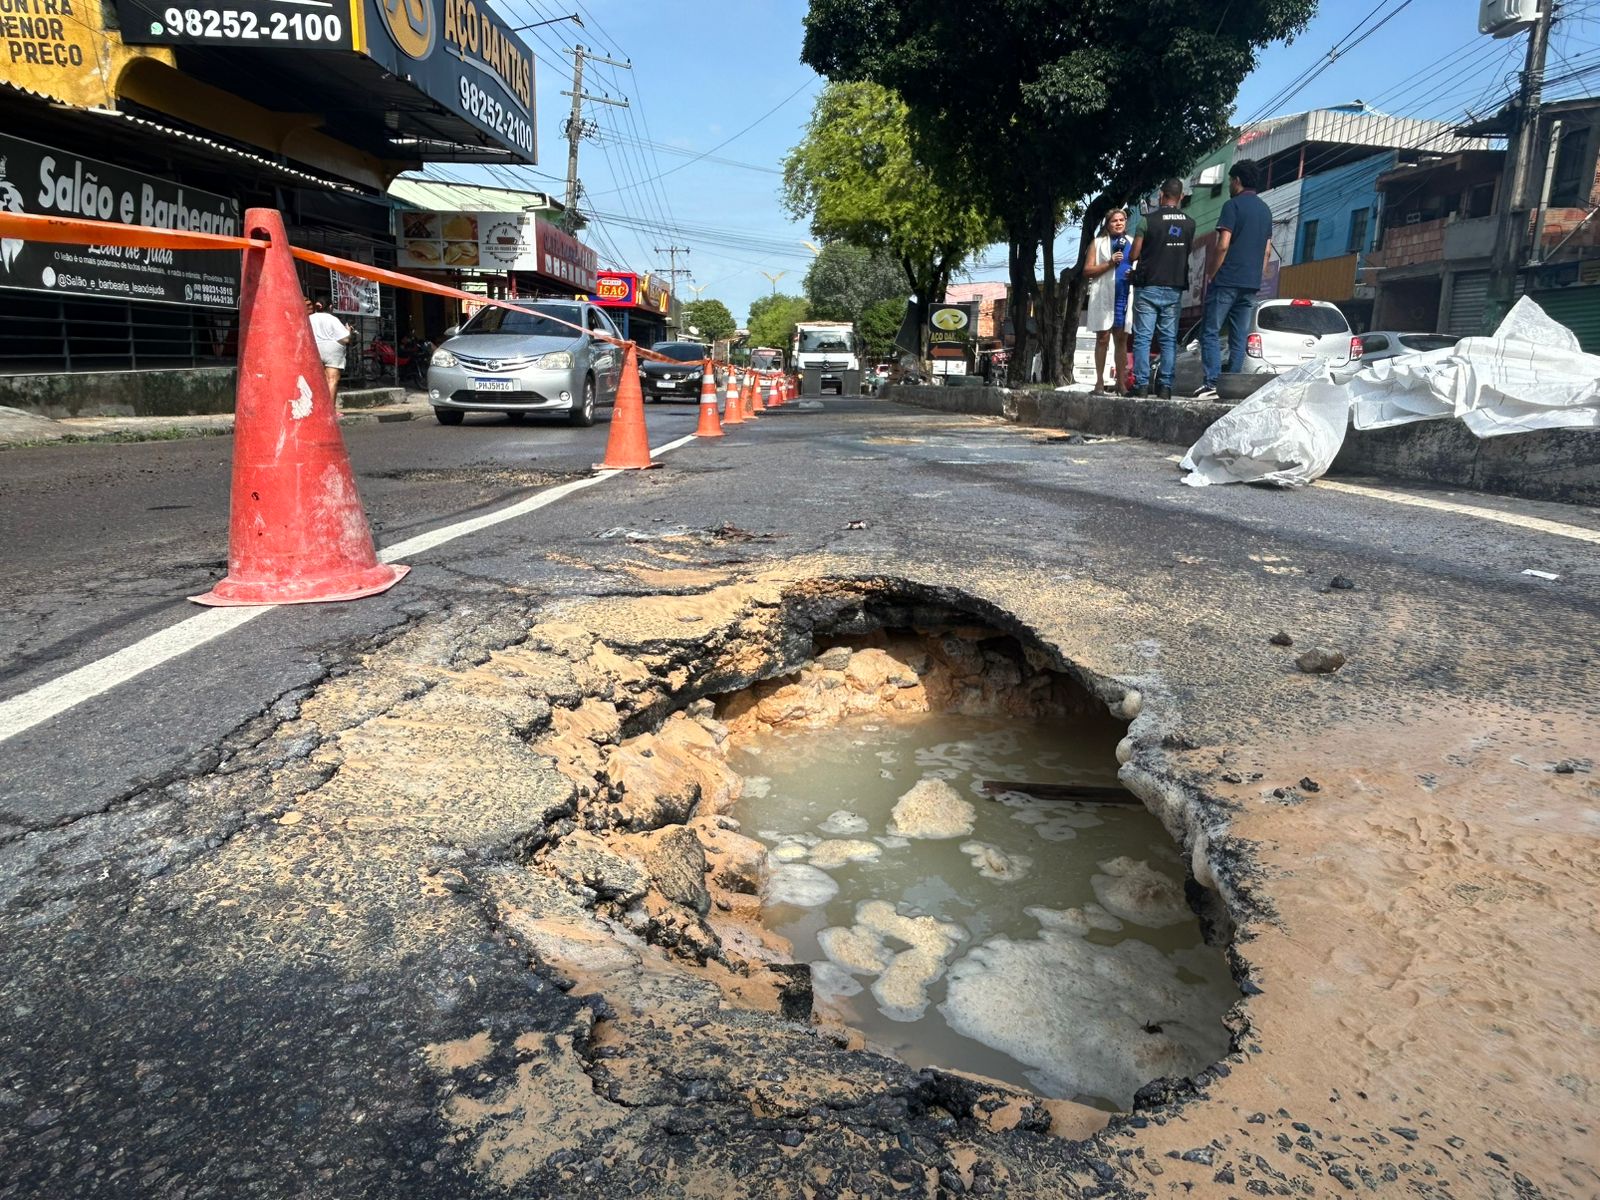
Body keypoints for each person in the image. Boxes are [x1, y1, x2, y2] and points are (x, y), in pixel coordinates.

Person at [1196, 159, 1273, 399]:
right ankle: (1232, 386)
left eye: (1230, 181)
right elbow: (1267, 251)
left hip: (1227, 278)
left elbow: (1222, 245)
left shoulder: (1232, 206)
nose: (1229, 185)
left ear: (1237, 181)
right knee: (1239, 336)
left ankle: (1212, 382)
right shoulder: (1265, 210)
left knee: (1210, 331)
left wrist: (1211, 273)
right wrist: (1257, 275)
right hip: (1250, 283)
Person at [1129, 178, 1196, 399]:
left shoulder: (1147, 221)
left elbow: (1134, 255)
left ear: (1161, 195)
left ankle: (1140, 385)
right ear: (1181, 196)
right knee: (1168, 339)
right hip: (1174, 287)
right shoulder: (1189, 223)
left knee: (1143, 338)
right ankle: (1165, 387)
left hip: (1148, 286)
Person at [1085, 208, 1135, 392]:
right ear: (1107, 224)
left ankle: (1120, 383)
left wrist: (1134, 274)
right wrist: (1109, 263)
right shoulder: (1098, 244)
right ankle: (1099, 381)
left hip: (1124, 295)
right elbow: (1087, 271)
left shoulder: (1132, 243)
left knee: (1121, 339)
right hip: (1104, 295)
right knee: (1102, 338)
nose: (1119, 223)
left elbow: (1140, 264)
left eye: (1122, 220)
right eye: (1114, 221)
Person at [306, 297, 352, 401]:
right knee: (332, 380)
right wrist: (348, 331)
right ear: (330, 307)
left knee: (317, 380)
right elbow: (345, 339)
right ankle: (331, 410)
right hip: (332, 352)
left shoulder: (309, 318)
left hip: (315, 350)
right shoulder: (332, 319)